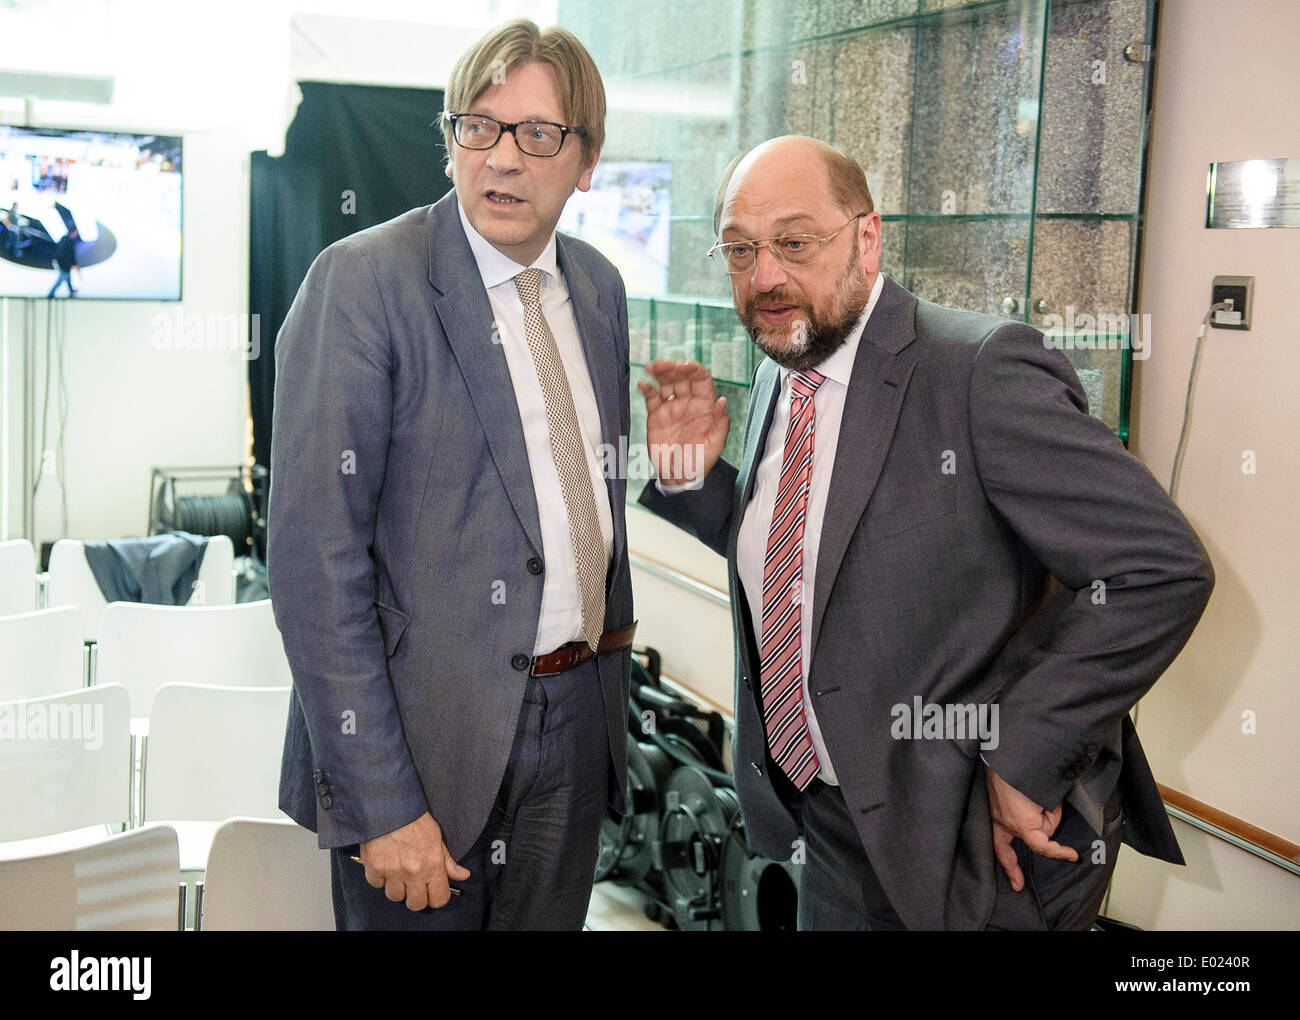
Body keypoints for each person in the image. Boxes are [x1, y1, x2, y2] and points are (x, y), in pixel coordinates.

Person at [637, 135, 1214, 930]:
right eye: (741, 249)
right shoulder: (785, 360)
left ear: (868, 237)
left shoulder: (980, 370)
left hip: (976, 842)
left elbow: (1160, 569)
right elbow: (810, 564)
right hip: (831, 825)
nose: (765, 276)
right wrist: (692, 480)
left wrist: (1026, 755)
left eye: (795, 243)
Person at [267, 19, 634, 931]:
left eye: (538, 134)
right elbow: (316, 567)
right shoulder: (360, 283)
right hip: (421, 748)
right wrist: (379, 803)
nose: (503, 159)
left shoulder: (599, 289)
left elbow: (579, 498)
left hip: (576, 725)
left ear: (586, 162)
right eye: (480, 127)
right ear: (451, 142)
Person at [48, 226, 78, 297]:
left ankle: (71, 291)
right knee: (62, 279)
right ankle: (51, 294)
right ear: (72, 232)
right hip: (63, 264)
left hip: (64, 263)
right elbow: (65, 254)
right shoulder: (67, 241)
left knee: (68, 278)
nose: (77, 234)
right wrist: (69, 264)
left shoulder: (66, 240)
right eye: (76, 232)